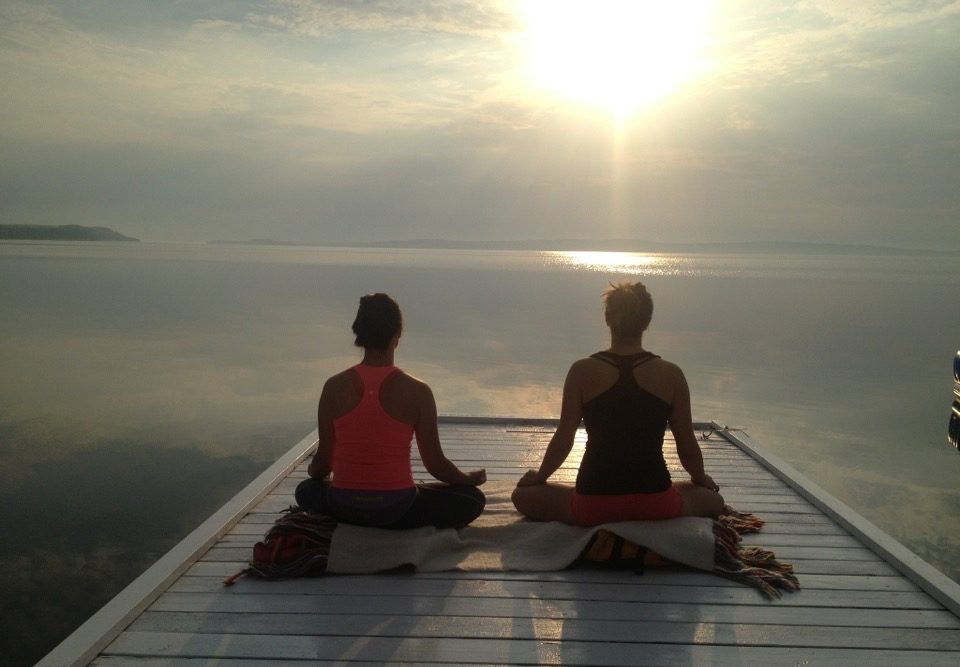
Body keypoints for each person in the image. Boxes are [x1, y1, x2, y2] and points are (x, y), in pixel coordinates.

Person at [512, 281, 724, 526]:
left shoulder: (581, 371)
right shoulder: (671, 374)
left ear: (608, 318)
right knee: (712, 499)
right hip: (657, 504)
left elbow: (564, 440)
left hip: (593, 506)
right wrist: (701, 479)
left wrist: (540, 477)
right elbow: (686, 446)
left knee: (522, 495)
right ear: (647, 322)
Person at [296, 293, 486, 529]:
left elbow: (324, 463)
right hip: (398, 509)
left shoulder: (333, 386)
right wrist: (467, 479)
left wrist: (313, 471)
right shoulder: (419, 391)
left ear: (359, 334)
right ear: (397, 335)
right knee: (472, 500)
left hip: (343, 507)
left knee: (305, 490)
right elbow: (435, 464)